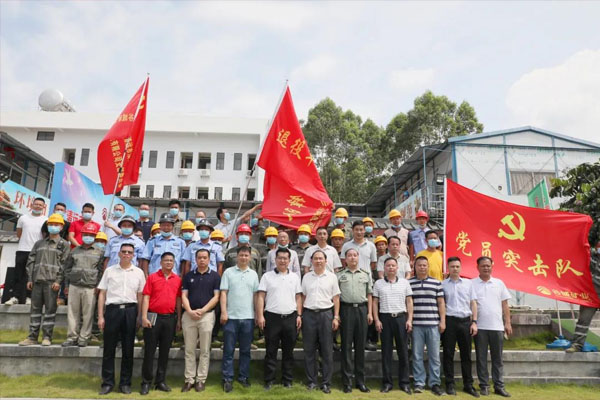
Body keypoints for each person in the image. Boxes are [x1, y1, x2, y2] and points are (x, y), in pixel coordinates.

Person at [97, 243, 146, 395]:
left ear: (133, 255)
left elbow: (140, 296)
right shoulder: (110, 271)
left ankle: (125, 383)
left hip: (130, 311)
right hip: (112, 311)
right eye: (123, 252)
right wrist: (100, 316)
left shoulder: (138, 272)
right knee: (109, 349)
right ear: (119, 254)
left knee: (128, 349)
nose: (126, 254)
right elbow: (102, 294)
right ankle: (107, 383)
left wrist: (139, 316)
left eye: (129, 252)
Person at [18, 213, 70, 346]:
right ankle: (32, 337)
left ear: (61, 227)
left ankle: (47, 337)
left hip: (51, 283)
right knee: (35, 311)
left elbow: (64, 265)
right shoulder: (39, 243)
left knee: (50, 311)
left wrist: (58, 281)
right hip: (37, 282)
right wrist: (30, 279)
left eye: (56, 224)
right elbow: (31, 261)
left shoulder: (64, 245)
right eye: (51, 224)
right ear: (47, 226)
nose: (53, 226)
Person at [256, 248, 302, 390]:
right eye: (280, 258)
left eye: (285, 258)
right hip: (272, 317)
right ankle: (269, 380)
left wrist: (299, 315)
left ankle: (287, 380)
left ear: (290, 261)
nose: (282, 260)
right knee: (271, 350)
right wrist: (260, 315)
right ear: (275, 260)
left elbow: (298, 297)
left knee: (288, 351)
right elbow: (261, 297)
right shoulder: (267, 276)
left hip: (290, 317)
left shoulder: (294, 277)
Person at [140, 252, 182, 395]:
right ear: (161, 262)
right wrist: (144, 317)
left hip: (169, 318)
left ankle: (160, 381)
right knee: (149, 351)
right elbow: (146, 297)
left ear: (174, 263)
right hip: (153, 316)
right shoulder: (152, 278)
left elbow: (178, 300)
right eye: (166, 261)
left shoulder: (177, 279)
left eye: (171, 261)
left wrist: (179, 319)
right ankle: (146, 382)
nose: (168, 263)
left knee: (165, 352)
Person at [220, 246, 259, 392]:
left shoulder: (254, 274)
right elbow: (223, 293)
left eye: (246, 255)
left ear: (250, 257)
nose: (243, 258)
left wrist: (256, 313)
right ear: (237, 257)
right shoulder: (228, 273)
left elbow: (256, 296)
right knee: (228, 350)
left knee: (245, 350)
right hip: (231, 317)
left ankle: (243, 376)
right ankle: (227, 378)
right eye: (241, 255)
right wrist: (224, 312)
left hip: (248, 318)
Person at [181, 249, 221, 392]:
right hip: (189, 315)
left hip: (207, 316)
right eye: (199, 258)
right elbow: (184, 295)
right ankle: (189, 380)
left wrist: (203, 310)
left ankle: (200, 380)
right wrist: (190, 311)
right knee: (189, 350)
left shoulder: (215, 276)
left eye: (205, 258)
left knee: (204, 350)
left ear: (209, 259)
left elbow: (216, 297)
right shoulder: (188, 276)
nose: (202, 260)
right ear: (195, 259)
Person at [301, 250, 341, 394]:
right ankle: (311, 381)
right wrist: (300, 315)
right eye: (315, 259)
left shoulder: (331, 277)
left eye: (321, 258)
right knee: (309, 350)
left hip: (326, 315)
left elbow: (336, 298)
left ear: (326, 261)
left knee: (326, 350)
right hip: (309, 314)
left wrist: (336, 317)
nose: (318, 261)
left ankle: (326, 382)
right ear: (311, 261)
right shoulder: (306, 277)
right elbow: (303, 297)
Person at [472, 256, 512, 397]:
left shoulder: (499, 283)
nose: (486, 268)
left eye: (488, 265)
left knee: (497, 359)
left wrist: (507, 323)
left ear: (492, 266)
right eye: (483, 266)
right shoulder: (472, 284)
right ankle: (484, 385)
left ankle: (499, 385)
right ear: (477, 267)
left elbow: (505, 305)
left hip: (497, 327)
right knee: (481, 358)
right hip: (480, 327)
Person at [373, 257, 413, 394]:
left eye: (393, 265)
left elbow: (409, 302)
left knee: (403, 351)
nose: (391, 268)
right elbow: (374, 303)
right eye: (388, 265)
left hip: (401, 318)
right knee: (386, 352)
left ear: (397, 268)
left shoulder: (404, 283)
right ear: (384, 268)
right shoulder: (378, 284)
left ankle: (404, 382)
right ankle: (387, 383)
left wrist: (409, 320)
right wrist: (377, 320)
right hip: (385, 318)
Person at [62, 223, 104, 347]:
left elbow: (101, 271)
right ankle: (72, 337)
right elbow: (67, 269)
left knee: (88, 314)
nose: (88, 237)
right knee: (72, 313)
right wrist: (67, 285)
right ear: (82, 235)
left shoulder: (99, 252)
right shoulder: (74, 250)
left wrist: (98, 286)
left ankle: (84, 338)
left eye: (91, 235)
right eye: (86, 234)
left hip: (90, 287)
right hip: (74, 286)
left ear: (95, 236)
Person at [442, 257, 479, 397]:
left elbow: (473, 303)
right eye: (452, 266)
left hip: (465, 322)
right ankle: (450, 384)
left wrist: (474, 322)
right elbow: (441, 304)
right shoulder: (443, 284)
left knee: (466, 355)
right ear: (448, 268)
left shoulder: (468, 284)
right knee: (448, 354)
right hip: (450, 321)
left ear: (460, 267)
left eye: (457, 266)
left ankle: (468, 385)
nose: (455, 269)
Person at [337, 248, 373, 393]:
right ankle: (347, 382)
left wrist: (370, 312)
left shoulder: (366, 274)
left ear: (358, 258)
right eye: (349, 256)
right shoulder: (339, 275)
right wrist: (337, 314)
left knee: (360, 346)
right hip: (346, 310)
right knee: (346, 346)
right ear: (345, 259)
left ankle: (360, 381)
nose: (352, 258)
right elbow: (336, 297)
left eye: (355, 255)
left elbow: (369, 294)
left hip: (362, 310)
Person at [409, 256, 445, 396]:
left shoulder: (436, 283)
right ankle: (419, 382)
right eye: (419, 265)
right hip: (416, 325)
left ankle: (434, 383)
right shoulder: (409, 283)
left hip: (433, 325)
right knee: (417, 355)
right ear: (415, 267)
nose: (422, 267)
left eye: (425, 265)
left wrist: (442, 321)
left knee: (434, 356)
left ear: (428, 266)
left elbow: (441, 303)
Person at [3, 197, 47, 305]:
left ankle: (29, 297)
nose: (38, 206)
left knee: (33, 276)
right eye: (36, 204)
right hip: (22, 249)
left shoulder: (46, 220)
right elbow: (19, 234)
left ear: (43, 207)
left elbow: (45, 236)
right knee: (19, 274)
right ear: (32, 205)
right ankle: (15, 297)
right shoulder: (23, 218)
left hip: (37, 251)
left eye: (40, 205)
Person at [566, 240, 600, 353]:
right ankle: (577, 344)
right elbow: (581, 255)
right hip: (591, 293)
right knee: (583, 320)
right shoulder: (592, 257)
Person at [140, 213, 186, 277]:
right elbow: (145, 259)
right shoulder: (152, 241)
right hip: (155, 277)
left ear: (173, 226)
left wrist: (181, 277)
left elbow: (183, 262)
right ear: (160, 226)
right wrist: (146, 275)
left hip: (173, 277)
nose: (166, 228)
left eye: (168, 225)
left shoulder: (180, 242)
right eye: (163, 225)